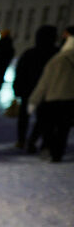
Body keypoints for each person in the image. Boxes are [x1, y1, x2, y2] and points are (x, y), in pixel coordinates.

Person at [28, 33, 74, 162]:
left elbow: (44, 82)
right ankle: (57, 153)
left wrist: (34, 100)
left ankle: (50, 150)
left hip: (53, 99)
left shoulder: (57, 60)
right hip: (71, 101)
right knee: (63, 130)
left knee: (48, 127)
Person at [13, 25, 58, 150]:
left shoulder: (30, 53)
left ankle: (23, 140)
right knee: (41, 118)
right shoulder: (55, 54)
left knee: (26, 117)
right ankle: (31, 139)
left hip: (29, 90)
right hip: (45, 91)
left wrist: (17, 88)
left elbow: (20, 72)